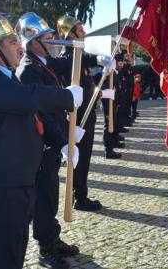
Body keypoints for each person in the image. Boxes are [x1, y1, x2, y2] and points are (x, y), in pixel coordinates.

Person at [0, 8, 81, 269]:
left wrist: (61, 141)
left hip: (14, 184)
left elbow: (34, 112)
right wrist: (67, 97)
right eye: (12, 41)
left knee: (13, 255)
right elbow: (31, 97)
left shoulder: (5, 77)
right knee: (3, 260)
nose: (20, 46)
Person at [14, 12, 93, 269]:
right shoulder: (28, 70)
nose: (53, 41)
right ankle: (45, 247)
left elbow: (69, 65)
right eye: (48, 38)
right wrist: (61, 140)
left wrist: (69, 129)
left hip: (52, 141)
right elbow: (42, 113)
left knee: (51, 190)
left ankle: (52, 236)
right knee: (44, 195)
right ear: (34, 41)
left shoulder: (43, 63)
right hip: (42, 143)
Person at [56, 14, 111, 212]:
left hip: (87, 116)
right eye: (79, 30)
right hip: (76, 118)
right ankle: (77, 195)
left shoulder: (79, 57)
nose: (84, 33)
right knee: (77, 157)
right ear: (69, 35)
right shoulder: (67, 57)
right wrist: (96, 59)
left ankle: (80, 193)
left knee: (85, 156)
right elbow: (76, 61)